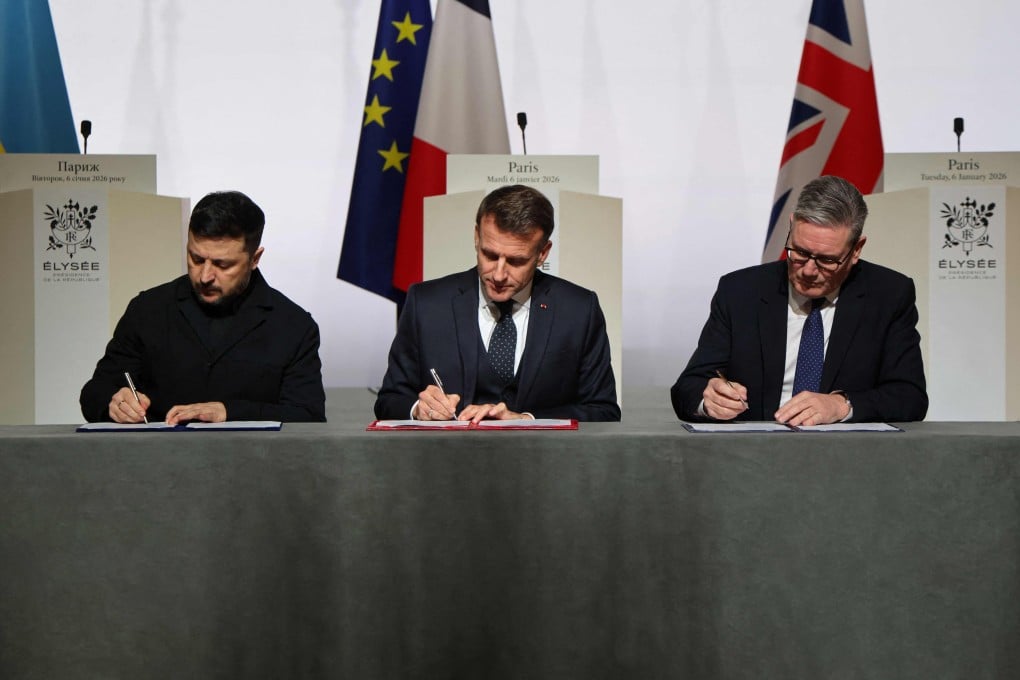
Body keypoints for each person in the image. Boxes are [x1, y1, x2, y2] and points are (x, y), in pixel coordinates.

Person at [671, 175, 928, 425]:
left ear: (856, 250)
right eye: (800, 252)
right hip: (752, 455)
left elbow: (910, 397)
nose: (808, 270)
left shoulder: (889, 295)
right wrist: (710, 399)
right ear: (791, 227)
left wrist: (841, 405)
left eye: (827, 260)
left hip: (848, 456)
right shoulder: (740, 292)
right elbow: (688, 387)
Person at [374, 184, 620, 422]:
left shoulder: (578, 310)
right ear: (476, 236)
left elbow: (603, 411)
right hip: (446, 461)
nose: (499, 274)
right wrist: (420, 409)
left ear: (542, 253)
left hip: (544, 461)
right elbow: (389, 400)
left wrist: (527, 420)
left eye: (516, 261)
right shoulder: (426, 304)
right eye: (489, 255)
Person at [80, 190, 326, 424]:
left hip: (253, 465)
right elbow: (95, 393)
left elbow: (308, 416)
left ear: (255, 259)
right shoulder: (148, 309)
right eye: (196, 259)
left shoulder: (293, 326)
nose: (205, 276)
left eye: (223, 264)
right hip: (153, 463)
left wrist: (228, 412)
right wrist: (114, 403)